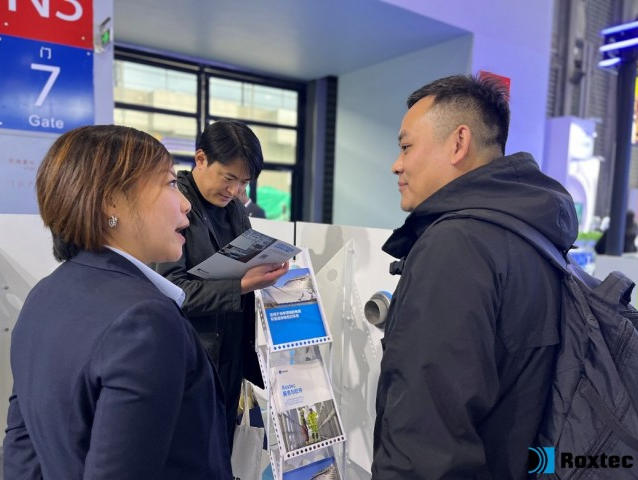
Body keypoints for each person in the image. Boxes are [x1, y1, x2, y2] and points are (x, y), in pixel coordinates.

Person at [372, 75, 578, 479]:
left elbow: (425, 441)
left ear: (458, 142)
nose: (397, 164)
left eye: (406, 146)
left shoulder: (455, 245)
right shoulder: (533, 235)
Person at [2, 125, 231, 479]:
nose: (185, 203)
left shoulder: (44, 294)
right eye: (170, 183)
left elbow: (22, 452)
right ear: (112, 201)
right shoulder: (145, 320)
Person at [156, 120, 288, 448]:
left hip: (231, 353)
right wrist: (240, 285)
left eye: (243, 183)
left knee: (222, 448)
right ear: (201, 159)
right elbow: (171, 291)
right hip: (192, 357)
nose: (234, 191)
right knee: (192, 451)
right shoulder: (175, 206)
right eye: (228, 178)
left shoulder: (235, 211)